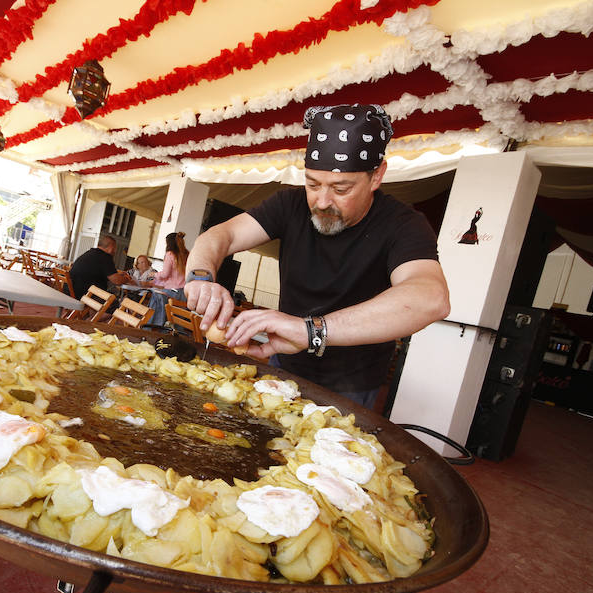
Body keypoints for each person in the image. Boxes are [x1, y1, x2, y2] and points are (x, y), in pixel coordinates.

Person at [183, 104, 450, 410]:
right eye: (312, 184)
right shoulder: (289, 204)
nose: (322, 201)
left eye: (341, 188)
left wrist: (311, 331)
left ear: (376, 176)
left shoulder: (404, 224)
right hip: (282, 361)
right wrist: (201, 277)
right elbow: (221, 235)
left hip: (351, 385)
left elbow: (431, 298)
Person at [69, 234, 132, 300]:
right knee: (114, 303)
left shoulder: (90, 252)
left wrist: (118, 274)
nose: (115, 251)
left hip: (72, 290)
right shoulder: (105, 257)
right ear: (111, 247)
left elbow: (99, 271)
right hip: (85, 294)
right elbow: (116, 280)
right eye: (115, 248)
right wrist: (127, 279)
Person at [146, 232, 189, 326]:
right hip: (184, 294)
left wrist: (154, 274)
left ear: (169, 243)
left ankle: (152, 327)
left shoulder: (170, 254)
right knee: (177, 318)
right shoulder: (187, 254)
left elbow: (165, 274)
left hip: (172, 292)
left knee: (156, 296)